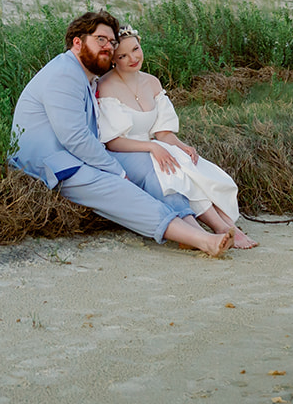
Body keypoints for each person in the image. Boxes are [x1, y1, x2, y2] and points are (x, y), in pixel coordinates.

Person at [9, 10, 232, 257]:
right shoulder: (63, 74)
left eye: (112, 42)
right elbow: (74, 137)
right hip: (54, 162)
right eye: (100, 39)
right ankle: (203, 240)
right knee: (121, 189)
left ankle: (189, 222)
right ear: (78, 42)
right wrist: (117, 171)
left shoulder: (86, 77)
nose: (108, 46)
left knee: (149, 165)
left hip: (75, 154)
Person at [94, 27, 257, 249]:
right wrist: (152, 147)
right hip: (124, 151)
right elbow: (112, 141)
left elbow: (163, 133)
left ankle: (222, 226)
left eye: (135, 49)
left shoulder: (151, 82)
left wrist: (181, 146)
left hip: (155, 146)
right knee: (164, 172)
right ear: (113, 59)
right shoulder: (105, 86)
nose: (133, 58)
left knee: (187, 164)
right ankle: (199, 232)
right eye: (122, 56)